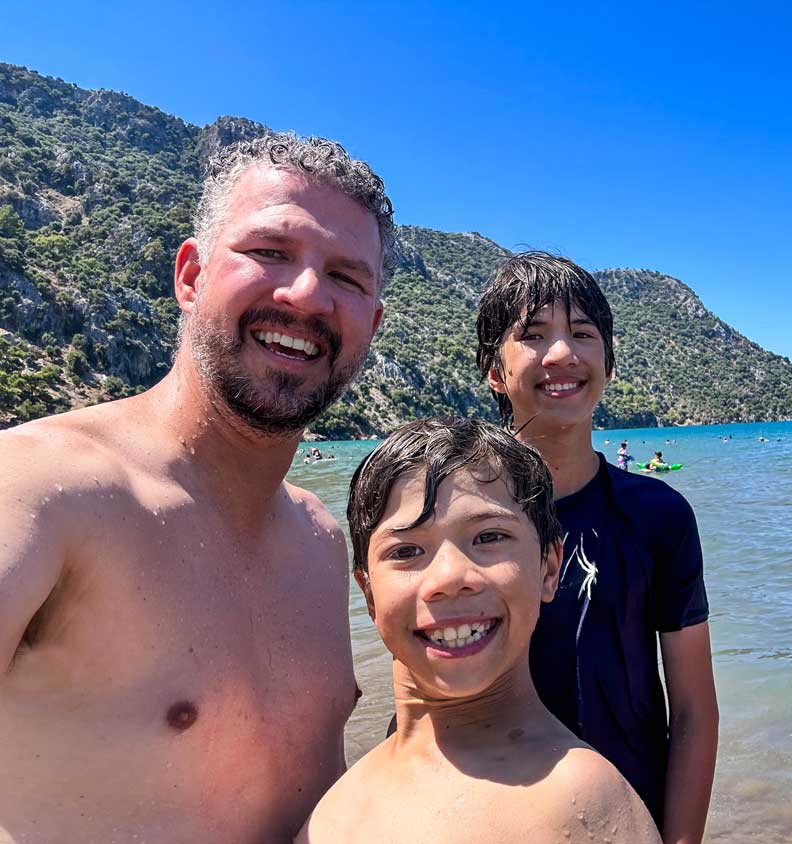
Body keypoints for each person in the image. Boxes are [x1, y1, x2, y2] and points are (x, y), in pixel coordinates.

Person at [0, 133, 394, 843]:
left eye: (346, 276)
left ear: (372, 322)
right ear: (190, 275)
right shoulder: (41, 488)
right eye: (270, 251)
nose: (305, 293)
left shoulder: (321, 538)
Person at [298, 417, 660, 843]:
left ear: (548, 566)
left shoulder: (579, 799)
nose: (450, 577)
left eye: (489, 537)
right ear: (370, 593)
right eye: (407, 550)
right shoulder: (335, 808)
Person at [475, 252, 718, 842]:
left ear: (607, 361)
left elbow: (693, 711)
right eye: (533, 335)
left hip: (628, 819)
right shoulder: (458, 513)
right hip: (489, 815)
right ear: (493, 370)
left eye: (583, 334)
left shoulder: (658, 516)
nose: (563, 354)